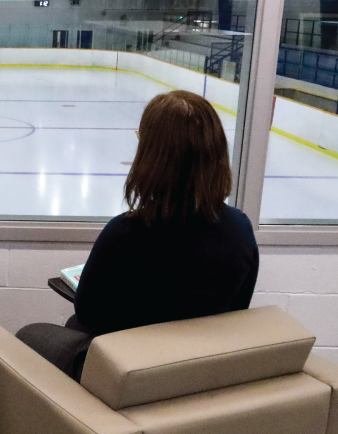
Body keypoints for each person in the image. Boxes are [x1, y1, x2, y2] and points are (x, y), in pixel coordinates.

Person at [16, 90, 259, 381]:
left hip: (130, 372)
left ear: (152, 156)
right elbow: (238, 308)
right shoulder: (241, 229)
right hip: (196, 369)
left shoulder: (125, 233)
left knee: (29, 335)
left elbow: (89, 311)